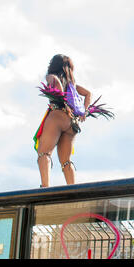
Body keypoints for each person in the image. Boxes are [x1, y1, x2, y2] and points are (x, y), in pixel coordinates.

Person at [33, 54, 114, 187]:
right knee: (66, 161)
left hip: (57, 116)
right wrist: (84, 111)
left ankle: (44, 187)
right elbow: (88, 93)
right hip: (71, 123)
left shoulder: (51, 76)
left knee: (44, 153)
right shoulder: (72, 84)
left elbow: (56, 83)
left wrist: (62, 101)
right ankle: (72, 188)